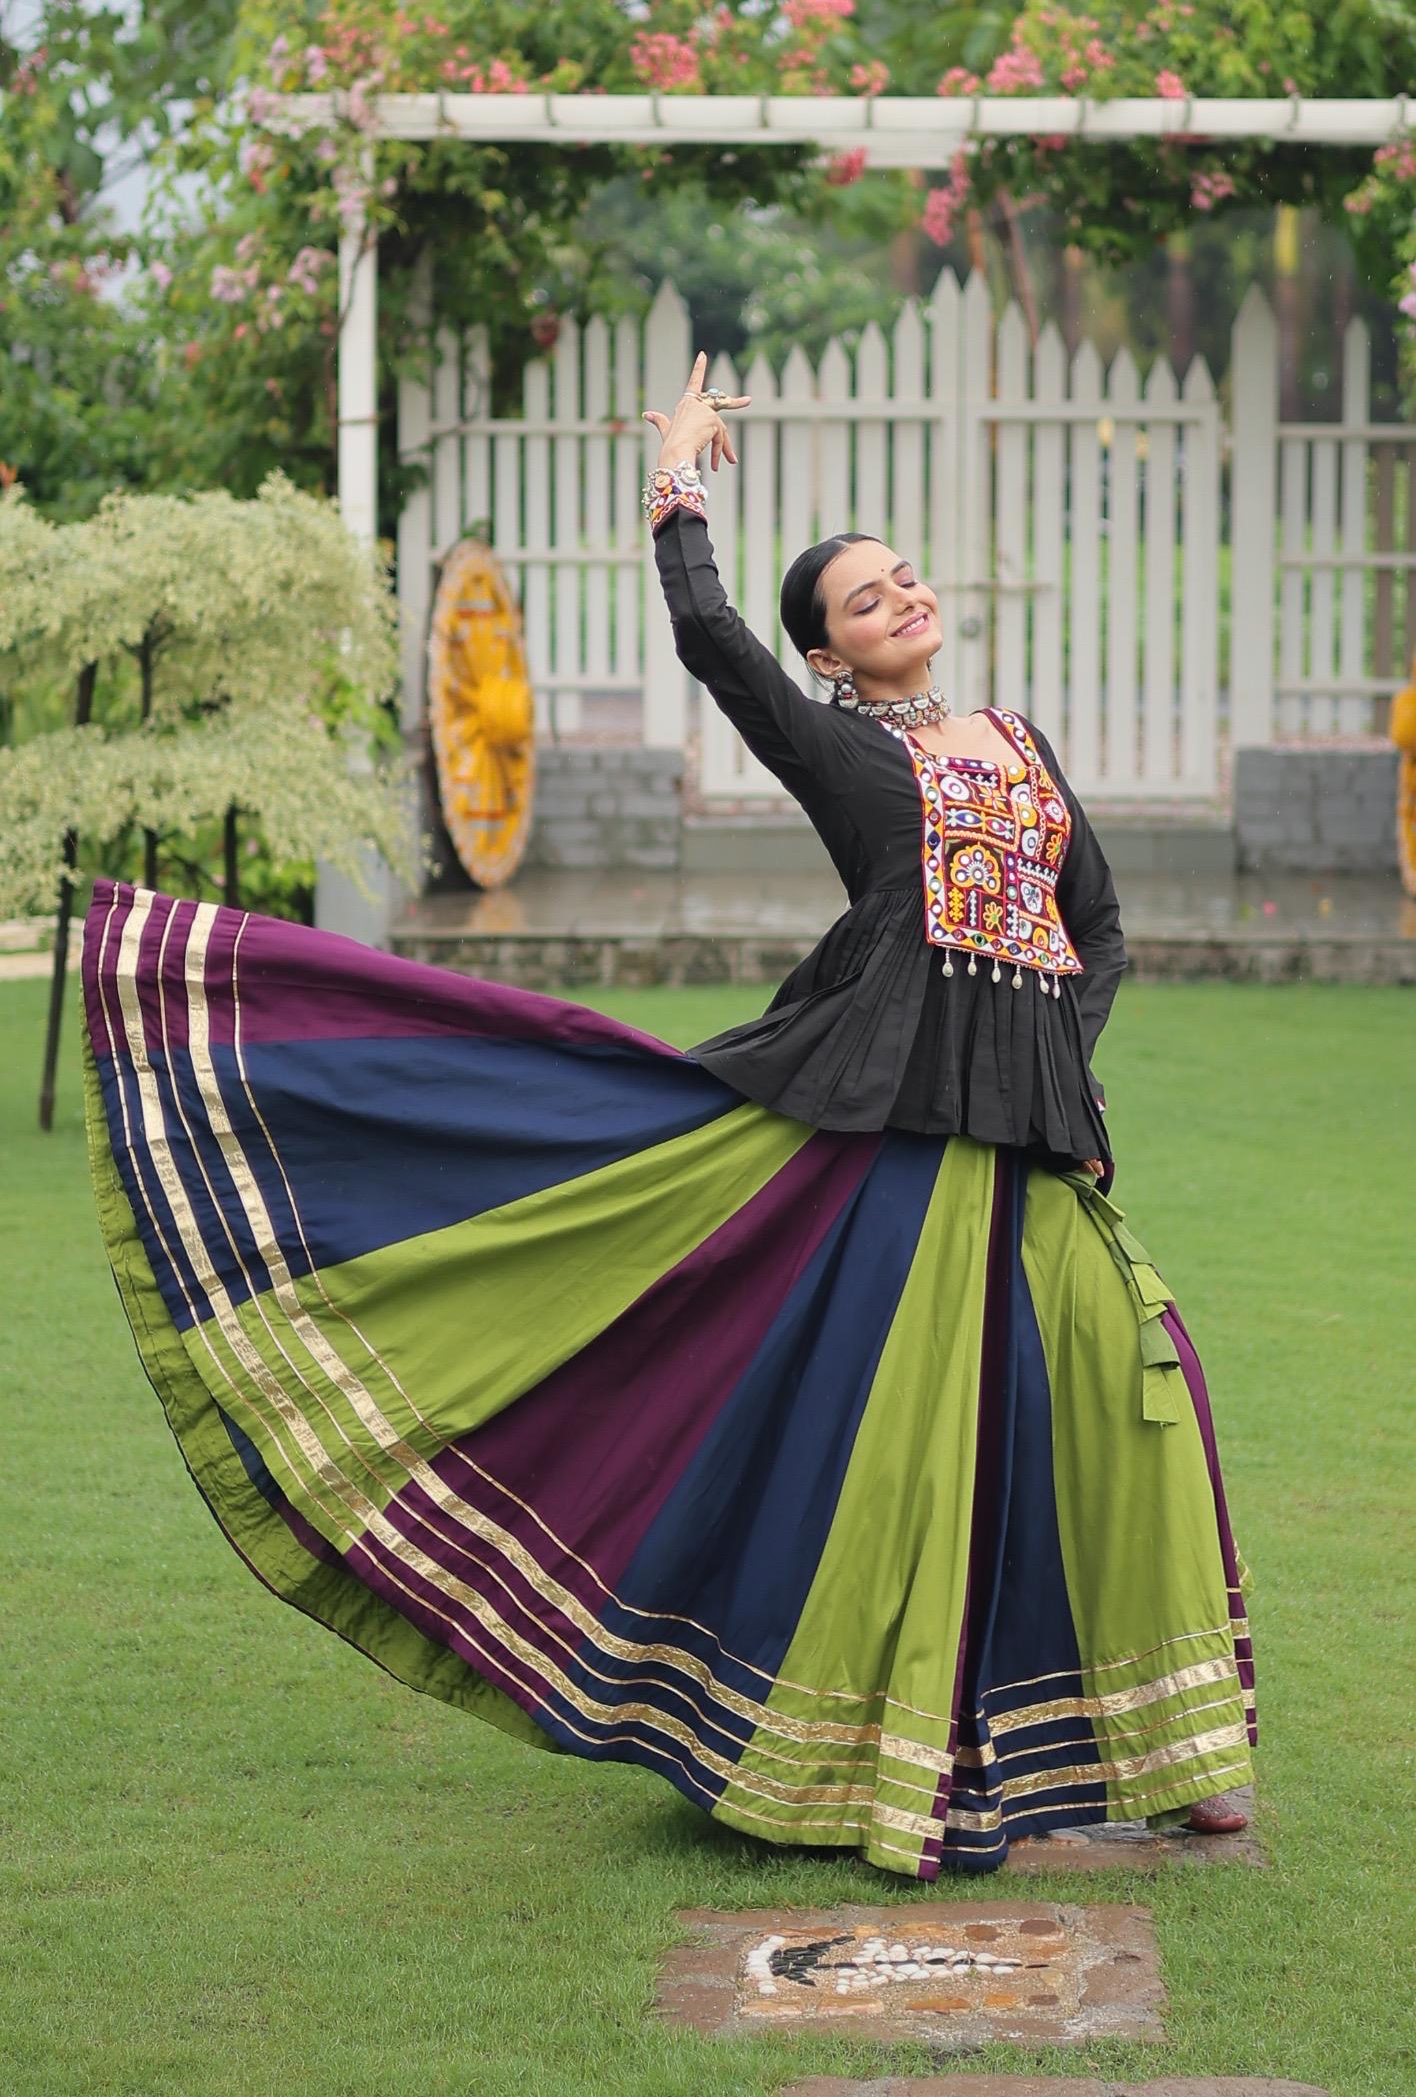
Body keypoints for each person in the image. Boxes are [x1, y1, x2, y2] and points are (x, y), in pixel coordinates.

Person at [81, 355, 1254, 1885]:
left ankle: (1176, 1755)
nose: (899, 600)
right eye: (862, 600)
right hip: (893, 1138)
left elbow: (1091, 931)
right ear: (829, 655)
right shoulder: (850, 755)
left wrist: (1064, 1076)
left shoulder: (1020, 745)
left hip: (1030, 1136)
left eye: (904, 581)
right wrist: (680, 479)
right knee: (906, 1450)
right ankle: (861, 1749)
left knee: (1128, 1392)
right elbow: (708, 635)